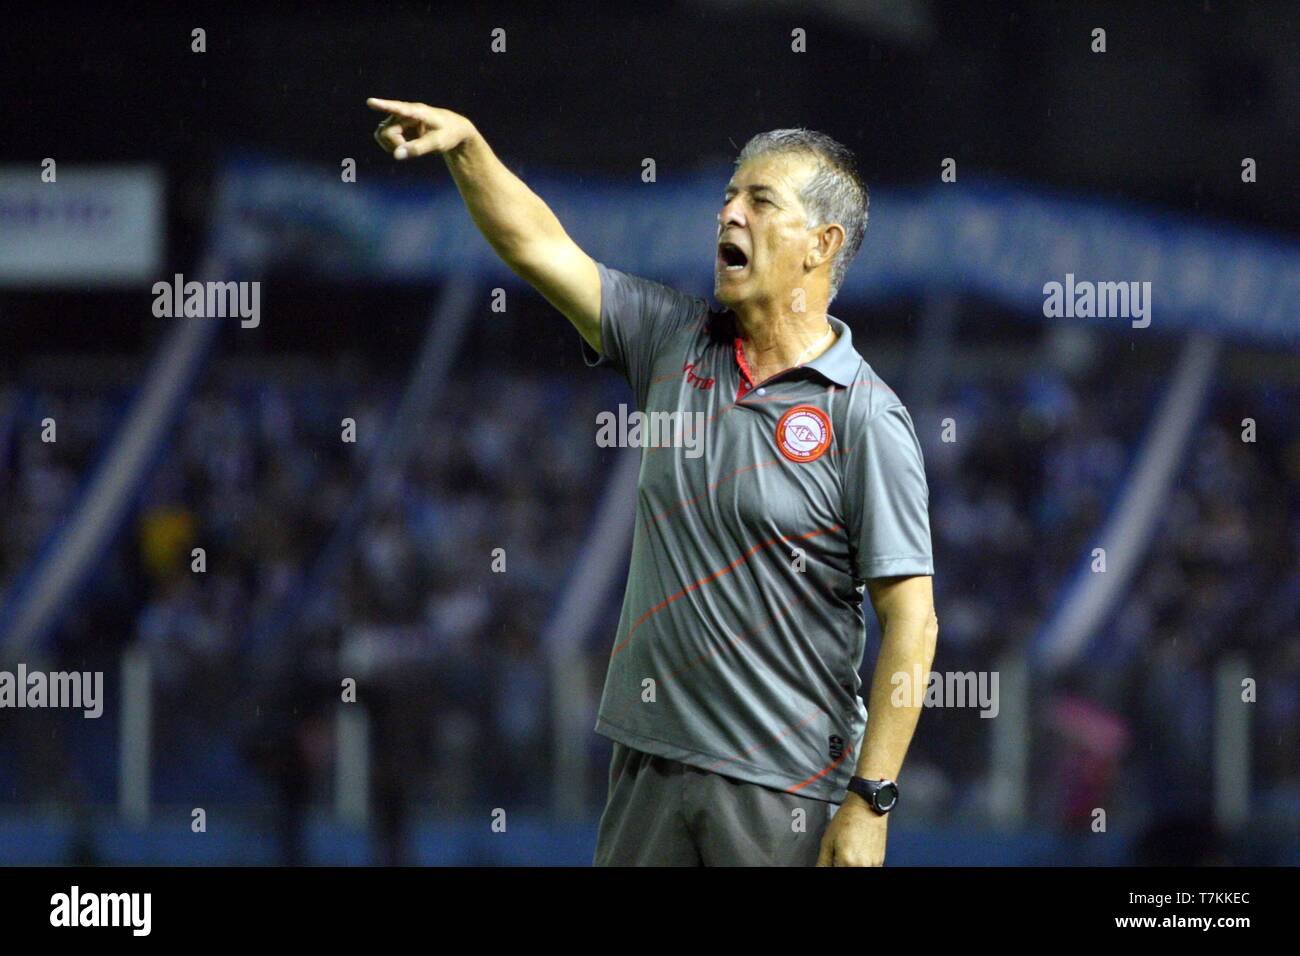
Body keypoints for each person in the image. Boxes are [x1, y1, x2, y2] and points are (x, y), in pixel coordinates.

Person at [367, 98, 939, 866]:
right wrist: (468, 146)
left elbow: (914, 624)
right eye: (728, 196)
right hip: (648, 768)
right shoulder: (674, 343)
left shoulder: (866, 418)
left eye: (758, 201)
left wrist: (872, 800)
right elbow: (538, 245)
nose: (727, 213)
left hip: (784, 789)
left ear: (821, 244)